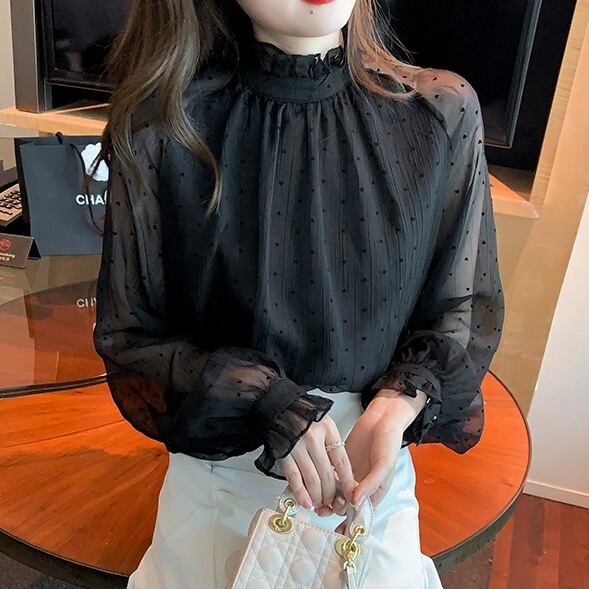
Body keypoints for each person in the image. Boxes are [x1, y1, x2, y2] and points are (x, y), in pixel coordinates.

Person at [92, 0, 505, 587]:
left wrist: (400, 401)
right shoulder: (163, 127)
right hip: (223, 486)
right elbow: (131, 335)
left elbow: (459, 309)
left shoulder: (440, 112)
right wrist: (265, 400)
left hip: (371, 483)